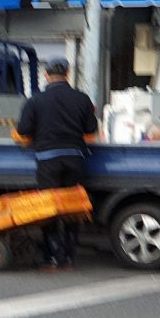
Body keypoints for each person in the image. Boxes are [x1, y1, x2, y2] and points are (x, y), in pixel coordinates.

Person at [14, 57, 99, 271]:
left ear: (46, 75)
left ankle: (51, 257)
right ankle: (68, 258)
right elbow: (91, 131)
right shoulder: (82, 99)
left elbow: (23, 131)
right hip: (74, 159)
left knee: (50, 209)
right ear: (68, 74)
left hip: (47, 161)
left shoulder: (36, 101)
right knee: (71, 208)